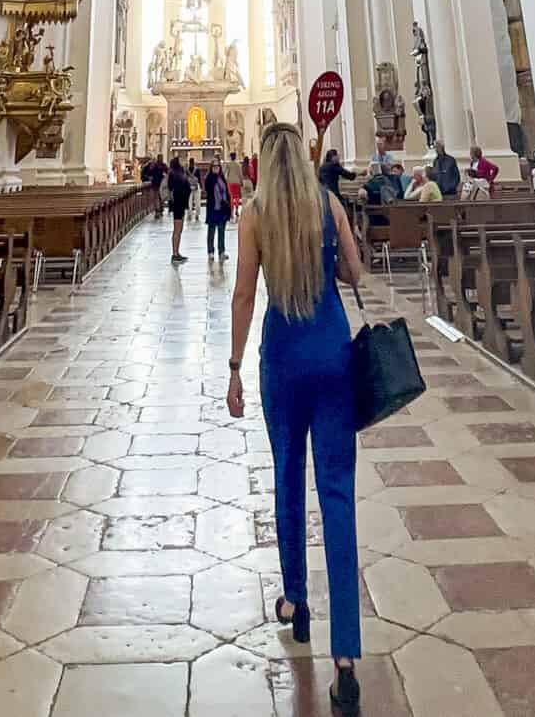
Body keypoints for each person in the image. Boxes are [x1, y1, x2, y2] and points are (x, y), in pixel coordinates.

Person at [227, 123, 364, 714]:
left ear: (262, 161)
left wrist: (233, 366)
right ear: (305, 162)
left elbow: (241, 295)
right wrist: (329, 255)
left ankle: (295, 602)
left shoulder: (255, 215)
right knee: (337, 497)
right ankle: (346, 659)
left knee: (288, 479)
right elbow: (356, 274)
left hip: (282, 359)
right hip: (333, 355)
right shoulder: (327, 204)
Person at [205, 154, 231, 260]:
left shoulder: (222, 178)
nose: (216, 168)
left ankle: (222, 251)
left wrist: (228, 204)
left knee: (221, 230)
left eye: (218, 166)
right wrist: (214, 177)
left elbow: (226, 191)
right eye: (214, 166)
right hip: (213, 207)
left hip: (222, 208)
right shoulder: (209, 178)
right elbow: (208, 189)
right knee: (211, 230)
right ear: (211, 168)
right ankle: (210, 251)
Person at [167, 156, 190, 265]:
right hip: (178, 203)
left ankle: (177, 252)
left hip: (180, 203)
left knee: (179, 229)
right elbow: (171, 188)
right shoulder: (173, 174)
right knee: (177, 229)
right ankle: (175, 254)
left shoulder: (180, 173)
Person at [147, 152, 167, 217]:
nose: (161, 159)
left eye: (161, 158)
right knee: (157, 197)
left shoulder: (160, 165)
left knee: (159, 197)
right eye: (160, 157)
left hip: (159, 183)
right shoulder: (158, 165)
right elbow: (150, 172)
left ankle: (159, 210)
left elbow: (167, 172)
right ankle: (158, 210)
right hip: (156, 183)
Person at [225, 151, 244, 219]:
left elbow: (225, 172)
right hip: (237, 182)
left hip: (230, 182)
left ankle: (231, 212)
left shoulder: (228, 164)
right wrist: (241, 182)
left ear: (231, 157)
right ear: (235, 157)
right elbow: (240, 174)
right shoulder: (238, 164)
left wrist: (225, 180)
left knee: (231, 198)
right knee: (237, 198)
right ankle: (236, 209)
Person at [188, 157, 202, 222]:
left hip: (189, 186)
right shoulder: (197, 169)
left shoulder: (186, 170)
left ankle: (189, 214)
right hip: (196, 186)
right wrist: (201, 186)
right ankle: (197, 214)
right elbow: (199, 179)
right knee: (197, 201)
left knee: (189, 201)